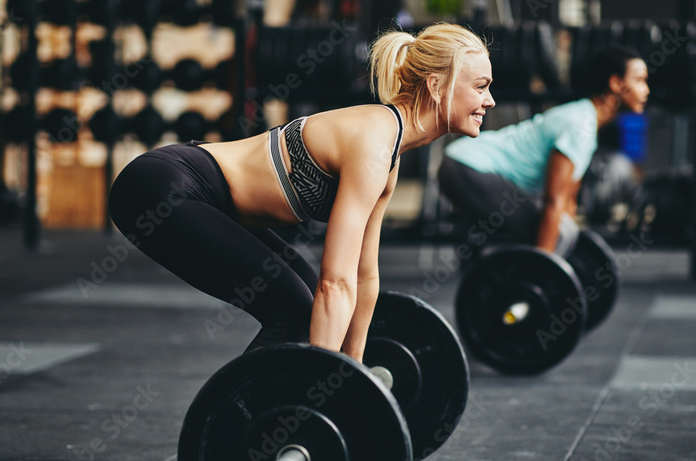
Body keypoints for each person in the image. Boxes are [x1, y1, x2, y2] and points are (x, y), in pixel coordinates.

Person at [108, 23, 495, 362]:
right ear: (436, 86)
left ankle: (273, 410)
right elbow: (336, 283)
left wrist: (353, 367)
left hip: (204, 197)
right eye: (480, 87)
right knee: (295, 309)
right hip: (164, 188)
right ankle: (241, 427)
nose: (489, 101)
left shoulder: (388, 156)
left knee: (305, 300)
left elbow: (363, 277)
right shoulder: (375, 142)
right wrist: (322, 379)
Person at [438, 45, 648, 258]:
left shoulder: (585, 121)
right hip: (468, 166)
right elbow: (553, 202)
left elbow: (567, 202)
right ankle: (520, 280)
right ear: (616, 84)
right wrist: (546, 265)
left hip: (464, 163)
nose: (646, 90)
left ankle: (499, 273)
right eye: (640, 81)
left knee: (561, 230)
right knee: (549, 231)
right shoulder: (580, 126)